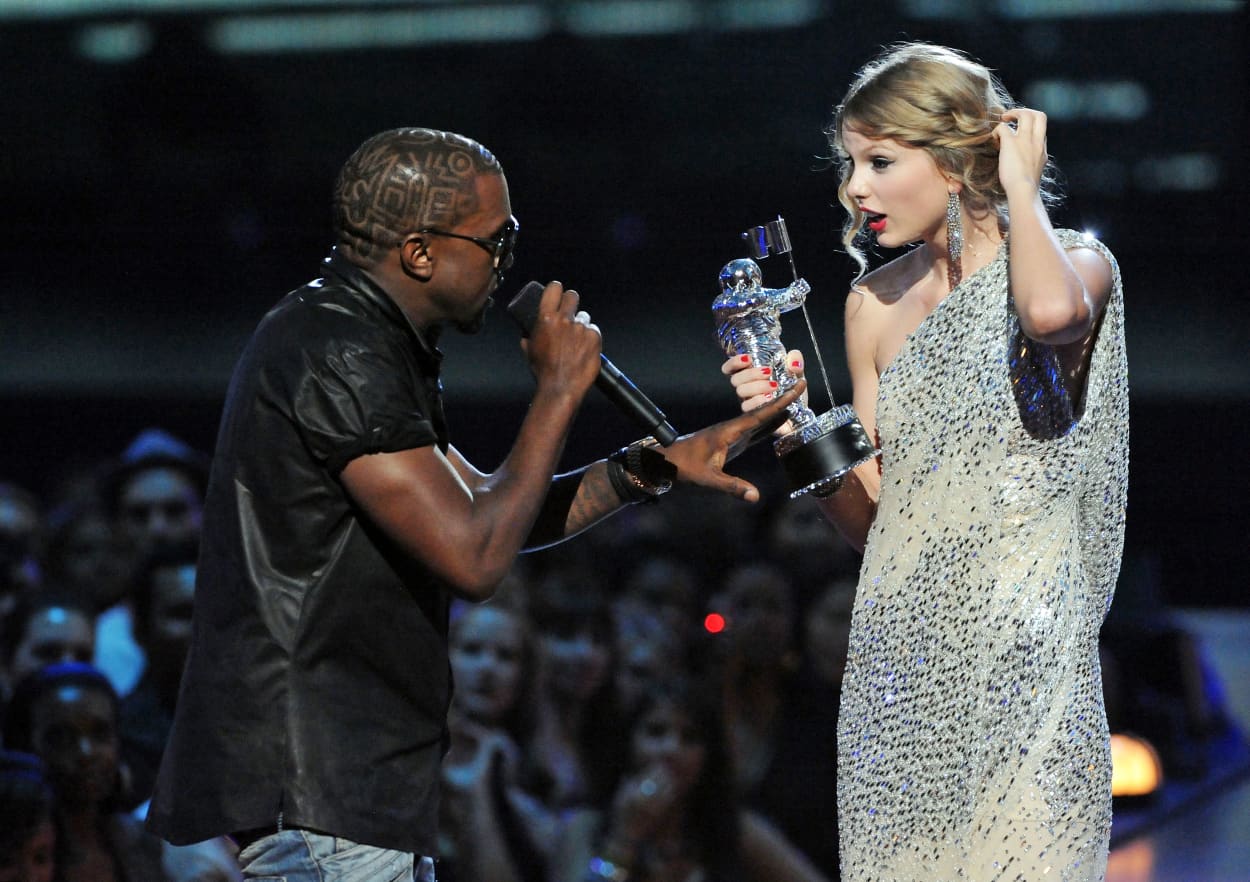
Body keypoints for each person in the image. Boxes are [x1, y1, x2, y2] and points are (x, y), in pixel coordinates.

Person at [145, 127, 802, 882]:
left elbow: (492, 510)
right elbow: (474, 555)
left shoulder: (361, 342)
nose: (508, 261)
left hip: (352, 791)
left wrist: (647, 468)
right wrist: (558, 390)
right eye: (498, 239)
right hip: (323, 788)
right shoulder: (338, 350)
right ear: (420, 252)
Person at [722, 43, 1128, 881]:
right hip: (902, 670)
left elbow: (1049, 313)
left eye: (879, 160)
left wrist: (1018, 186)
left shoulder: (1077, 262)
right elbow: (876, 522)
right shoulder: (870, 304)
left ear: (952, 159)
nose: (854, 188)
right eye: (849, 164)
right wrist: (796, 428)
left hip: (1029, 664)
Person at [549, 676, 831, 882]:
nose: (672, 749)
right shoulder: (585, 825)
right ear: (629, 743)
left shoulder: (734, 829)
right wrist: (624, 837)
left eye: (690, 738)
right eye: (656, 732)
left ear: (708, 756)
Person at [2, 663, 171, 882]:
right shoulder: (19, 857)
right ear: (23, 746)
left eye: (100, 734)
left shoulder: (139, 841)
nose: (86, 753)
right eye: (61, 738)